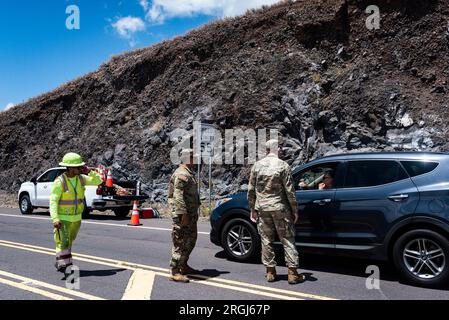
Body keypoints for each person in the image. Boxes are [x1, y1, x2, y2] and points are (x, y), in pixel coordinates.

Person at [248, 140, 305, 284]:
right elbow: (290, 191)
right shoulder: (283, 165)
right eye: (279, 147)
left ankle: (270, 272)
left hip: (263, 209)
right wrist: (294, 209)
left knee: (266, 240)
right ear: (276, 149)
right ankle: (292, 273)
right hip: (280, 208)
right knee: (287, 239)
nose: (280, 149)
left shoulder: (257, 165)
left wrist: (252, 209)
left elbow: (251, 190)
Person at [50, 153, 102, 272]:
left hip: (76, 218)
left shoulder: (81, 178)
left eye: (80, 167)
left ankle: (61, 261)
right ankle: (66, 266)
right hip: (63, 218)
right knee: (63, 242)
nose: (80, 169)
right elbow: (53, 201)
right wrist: (55, 218)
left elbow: (98, 181)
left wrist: (89, 172)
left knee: (69, 241)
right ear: (70, 168)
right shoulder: (60, 181)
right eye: (78, 167)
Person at [167, 149, 201, 283]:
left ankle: (183, 265)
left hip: (190, 214)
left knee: (191, 240)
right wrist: (183, 214)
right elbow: (178, 197)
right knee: (180, 242)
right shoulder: (181, 174)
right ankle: (174, 271)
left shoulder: (188, 173)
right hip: (183, 215)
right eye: (194, 157)